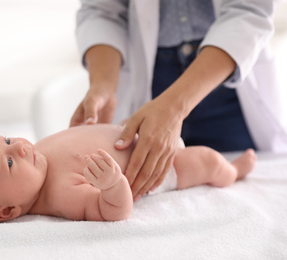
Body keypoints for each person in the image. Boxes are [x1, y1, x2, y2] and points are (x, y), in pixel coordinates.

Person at [71, 1, 287, 201]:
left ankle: (233, 170)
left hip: (222, 74)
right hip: (150, 79)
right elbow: (102, 11)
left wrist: (174, 106)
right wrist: (103, 85)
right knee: (166, 175)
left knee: (212, 168)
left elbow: (248, 11)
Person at [0, 124, 256, 223]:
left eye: (7, 140)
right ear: (8, 211)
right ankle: (231, 172)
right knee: (207, 160)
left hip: (142, 134)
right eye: (9, 162)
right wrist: (113, 184)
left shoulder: (36, 161)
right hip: (156, 166)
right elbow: (113, 210)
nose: (21, 147)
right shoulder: (59, 193)